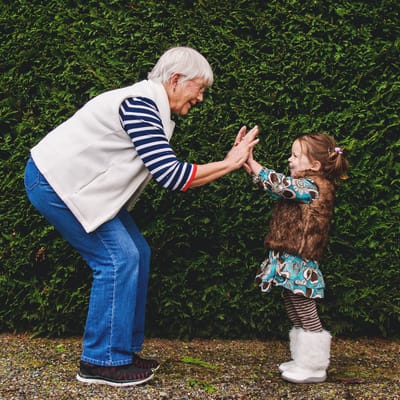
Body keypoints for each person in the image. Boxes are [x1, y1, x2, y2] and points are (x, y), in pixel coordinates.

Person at [24, 46, 259, 387]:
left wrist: (228, 162)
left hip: (78, 187)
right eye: (200, 88)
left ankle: (121, 352)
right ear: (176, 80)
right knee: (117, 259)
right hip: (56, 183)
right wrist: (230, 162)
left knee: (137, 253)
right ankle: (101, 362)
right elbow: (172, 176)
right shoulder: (140, 105)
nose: (201, 98)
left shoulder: (150, 106)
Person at [244, 133, 349, 384]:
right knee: (294, 306)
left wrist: (253, 162)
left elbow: (280, 185)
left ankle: (314, 366)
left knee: (305, 310)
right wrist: (249, 164)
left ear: (314, 166)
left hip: (300, 262)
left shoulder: (312, 186)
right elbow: (276, 188)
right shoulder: (302, 185)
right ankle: (303, 359)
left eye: (295, 155)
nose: (289, 160)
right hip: (290, 258)